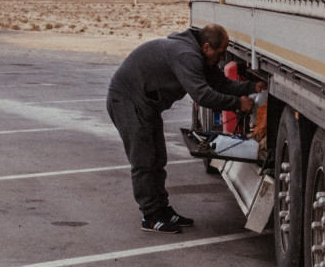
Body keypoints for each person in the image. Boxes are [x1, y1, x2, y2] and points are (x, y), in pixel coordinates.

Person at [107, 23, 261, 232]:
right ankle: (150, 216)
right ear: (206, 47)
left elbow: (221, 84)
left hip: (146, 105)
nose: (222, 57)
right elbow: (202, 95)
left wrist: (252, 88)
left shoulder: (201, 55)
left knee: (158, 158)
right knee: (143, 161)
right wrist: (236, 103)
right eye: (220, 52)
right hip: (127, 101)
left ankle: (162, 209)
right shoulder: (186, 56)